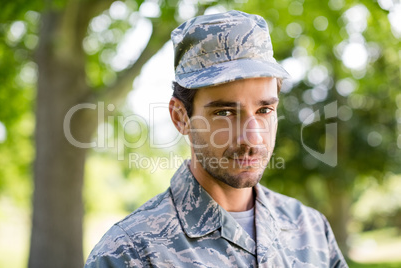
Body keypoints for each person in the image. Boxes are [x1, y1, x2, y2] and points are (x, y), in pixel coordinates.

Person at [85, 10, 348, 267]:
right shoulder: (130, 253)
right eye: (224, 113)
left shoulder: (311, 231)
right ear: (180, 117)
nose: (252, 138)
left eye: (265, 110)